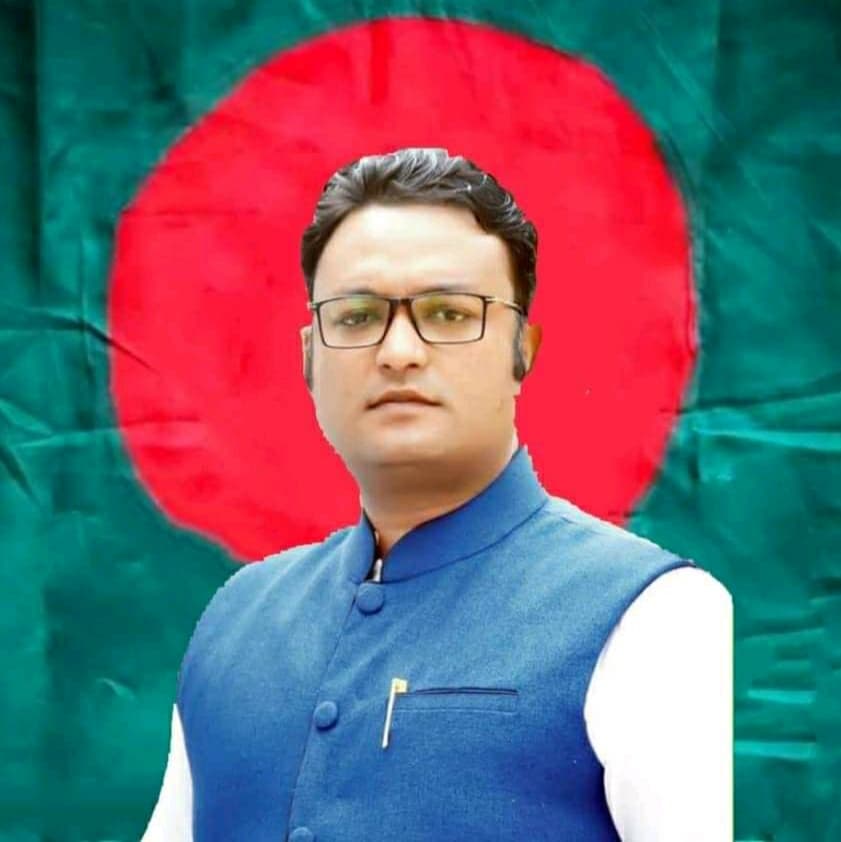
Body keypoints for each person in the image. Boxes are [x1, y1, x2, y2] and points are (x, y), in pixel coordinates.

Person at [141, 147, 732, 841]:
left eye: (449, 314)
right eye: (357, 316)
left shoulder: (650, 612)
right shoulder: (235, 620)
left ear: (523, 350)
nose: (398, 352)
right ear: (309, 356)